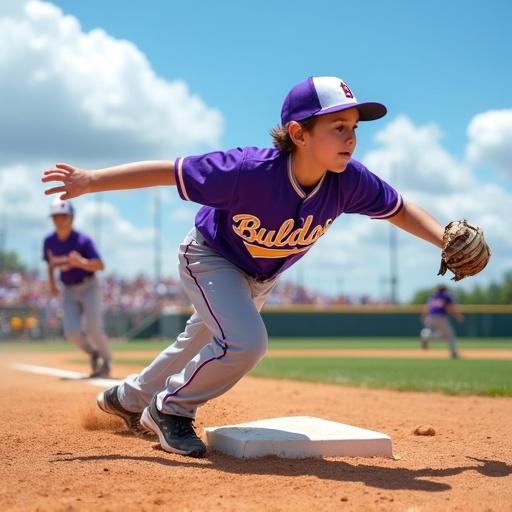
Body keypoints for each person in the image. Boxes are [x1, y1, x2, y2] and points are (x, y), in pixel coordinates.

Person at [42, 75, 463, 458]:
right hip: (209, 257)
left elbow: (399, 208)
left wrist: (443, 237)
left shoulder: (348, 180)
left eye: (354, 128)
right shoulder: (248, 170)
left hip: (259, 277)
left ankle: (128, 398)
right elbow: (169, 171)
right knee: (246, 342)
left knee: (197, 341)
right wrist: (92, 181)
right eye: (338, 127)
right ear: (298, 133)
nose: (351, 138)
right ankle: (170, 409)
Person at [43, 199, 111, 377]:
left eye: (63, 216)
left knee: (94, 329)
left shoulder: (83, 240)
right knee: (71, 332)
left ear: (71, 218)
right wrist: (51, 282)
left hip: (89, 285)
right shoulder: (49, 241)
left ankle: (106, 362)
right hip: (68, 289)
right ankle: (93, 352)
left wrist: (82, 262)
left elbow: (100, 266)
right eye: (56, 217)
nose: (59, 220)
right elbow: (49, 264)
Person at [420, 285, 464, 359]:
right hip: (440, 317)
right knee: (450, 335)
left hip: (430, 317)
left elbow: (427, 308)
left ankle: (425, 336)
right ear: (445, 290)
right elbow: (450, 309)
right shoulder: (446, 296)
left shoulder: (432, 297)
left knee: (442, 335)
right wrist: (458, 316)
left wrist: (423, 316)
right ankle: (454, 353)